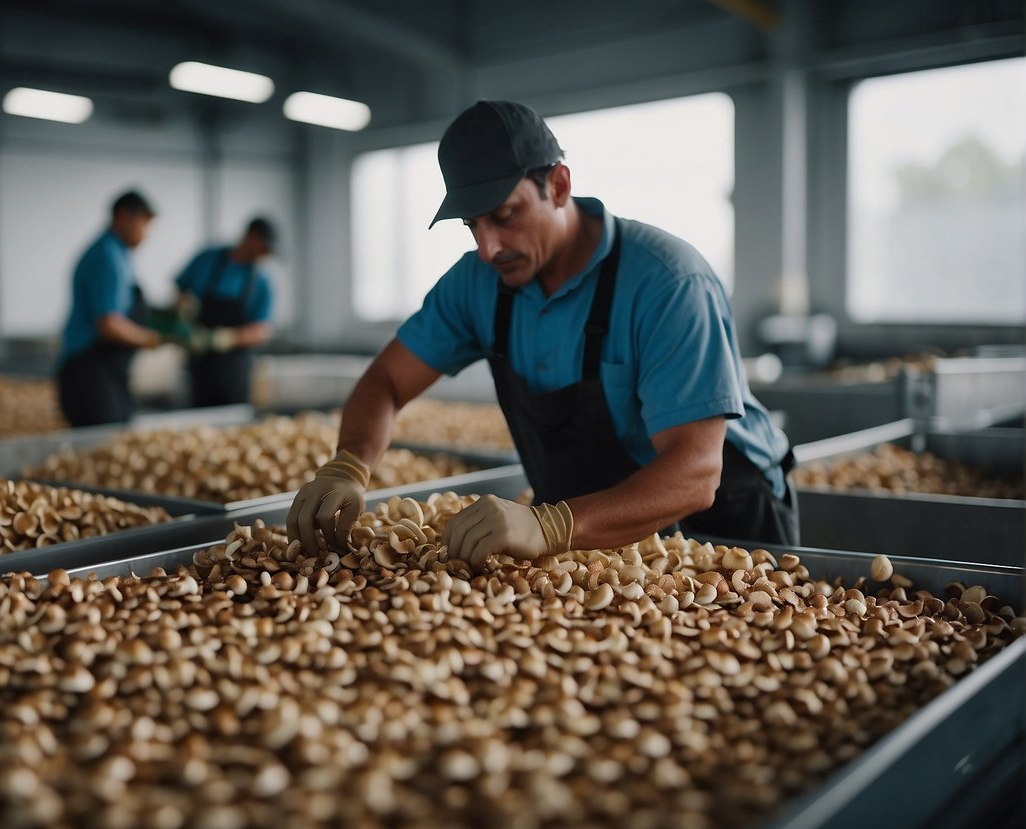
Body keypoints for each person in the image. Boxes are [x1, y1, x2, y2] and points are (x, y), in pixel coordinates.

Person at [288, 100, 798, 568]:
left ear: (558, 185)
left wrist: (551, 524)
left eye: (505, 216)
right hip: (594, 537)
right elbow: (387, 382)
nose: (488, 247)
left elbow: (696, 471)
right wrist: (350, 465)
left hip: (725, 531)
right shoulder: (477, 284)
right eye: (472, 225)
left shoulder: (667, 281)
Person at [56, 190, 162, 427]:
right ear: (125, 217)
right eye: (145, 224)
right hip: (90, 371)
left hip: (107, 370)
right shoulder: (106, 257)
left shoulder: (118, 253)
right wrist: (151, 339)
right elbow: (109, 324)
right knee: (101, 442)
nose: (147, 233)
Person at [173, 217, 276, 407]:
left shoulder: (261, 282)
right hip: (199, 362)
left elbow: (262, 329)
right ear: (252, 237)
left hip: (234, 368)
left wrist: (226, 338)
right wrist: (184, 306)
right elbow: (180, 288)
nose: (265, 255)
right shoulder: (207, 259)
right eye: (264, 248)